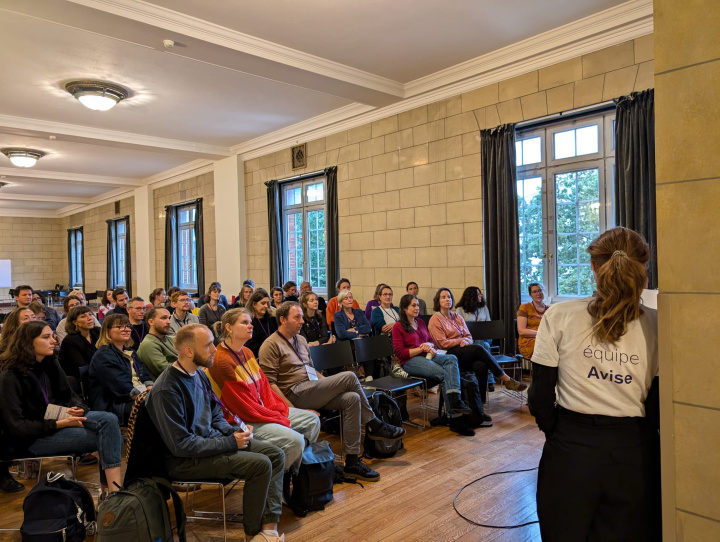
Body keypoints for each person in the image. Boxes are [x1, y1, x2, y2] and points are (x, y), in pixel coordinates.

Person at [528, 227, 660, 541]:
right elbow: (658, 404)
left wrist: (563, 435)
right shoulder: (660, 323)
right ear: (644, 272)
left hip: (571, 451)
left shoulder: (559, 315)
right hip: (635, 455)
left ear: (594, 267)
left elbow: (540, 397)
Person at [146, 324, 286, 542]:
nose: (214, 350)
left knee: (276, 454)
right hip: (184, 461)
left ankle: (268, 530)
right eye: (209, 345)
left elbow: (216, 415)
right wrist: (230, 442)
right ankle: (252, 535)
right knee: (261, 464)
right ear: (189, 351)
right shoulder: (167, 389)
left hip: (211, 443)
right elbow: (181, 445)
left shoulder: (199, 375)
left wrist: (236, 431)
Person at [258, 302, 404, 482]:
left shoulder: (301, 340)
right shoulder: (270, 344)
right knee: (350, 376)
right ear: (282, 320)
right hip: (294, 394)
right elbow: (269, 384)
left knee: (351, 398)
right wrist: (292, 410)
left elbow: (313, 371)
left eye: (302, 317)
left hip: (312, 389)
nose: (302, 321)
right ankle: (374, 424)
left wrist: (328, 383)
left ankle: (351, 462)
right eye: (297, 317)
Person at [0, 321, 123, 495]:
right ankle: (113, 493)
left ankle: (111, 491)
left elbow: (71, 396)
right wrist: (61, 424)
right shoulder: (9, 376)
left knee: (110, 419)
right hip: (31, 439)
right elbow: (17, 427)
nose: (54, 340)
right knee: (111, 438)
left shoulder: (50, 363)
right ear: (28, 342)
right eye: (46, 337)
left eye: (52, 335)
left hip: (57, 421)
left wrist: (78, 408)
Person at [208, 309, 320, 478]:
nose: (250, 326)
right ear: (229, 328)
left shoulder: (247, 352)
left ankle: (295, 474)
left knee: (312, 420)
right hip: (243, 420)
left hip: (261, 410)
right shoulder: (221, 360)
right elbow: (242, 406)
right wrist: (277, 418)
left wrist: (278, 410)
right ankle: (277, 483)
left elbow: (265, 388)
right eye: (244, 322)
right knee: (295, 440)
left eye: (250, 322)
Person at [392, 294, 480, 436]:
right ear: (404, 308)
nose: (417, 308)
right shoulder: (398, 327)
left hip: (427, 356)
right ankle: (455, 419)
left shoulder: (420, 322)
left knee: (451, 358)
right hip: (410, 362)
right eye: (413, 305)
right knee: (446, 374)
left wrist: (430, 347)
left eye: (417, 305)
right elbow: (400, 354)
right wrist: (421, 348)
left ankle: (454, 401)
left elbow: (430, 340)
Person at [428, 288, 527, 395]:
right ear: (438, 301)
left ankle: (481, 401)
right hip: (447, 353)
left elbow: (469, 336)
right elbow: (442, 344)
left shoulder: (457, 317)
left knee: (481, 365)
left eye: (449, 297)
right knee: (480, 348)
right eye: (443, 297)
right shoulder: (435, 319)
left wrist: (466, 341)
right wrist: (461, 340)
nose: (447, 299)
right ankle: (505, 378)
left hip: (463, 349)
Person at [89, 314, 153, 425]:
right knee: (158, 407)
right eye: (119, 326)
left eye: (128, 326)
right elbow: (124, 389)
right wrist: (152, 398)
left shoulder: (130, 352)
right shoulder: (104, 355)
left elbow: (145, 377)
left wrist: (152, 391)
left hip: (137, 396)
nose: (126, 329)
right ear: (107, 331)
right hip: (115, 404)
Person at [455, 286, 495, 389]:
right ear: (471, 296)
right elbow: (459, 328)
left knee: (483, 342)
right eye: (478, 294)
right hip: (468, 339)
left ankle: (475, 374)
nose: (481, 295)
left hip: (484, 337)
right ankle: (488, 379)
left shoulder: (483, 307)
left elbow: (489, 324)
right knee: (485, 347)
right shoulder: (460, 309)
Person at [59, 306, 100, 382]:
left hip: (97, 373)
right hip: (80, 379)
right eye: (83, 316)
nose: (89, 318)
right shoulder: (70, 340)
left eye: (90, 314)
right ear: (75, 322)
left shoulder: (97, 332)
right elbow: (82, 367)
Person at [137, 307, 177, 380]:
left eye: (169, 318)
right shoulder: (148, 344)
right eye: (163, 318)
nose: (168, 322)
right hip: (167, 386)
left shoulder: (171, 339)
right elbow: (166, 370)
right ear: (151, 322)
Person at [517, 282, 549, 360]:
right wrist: (541, 334)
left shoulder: (549, 309)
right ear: (530, 295)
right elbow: (521, 331)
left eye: (540, 290)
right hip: (529, 341)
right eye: (535, 292)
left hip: (546, 339)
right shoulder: (524, 308)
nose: (538, 293)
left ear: (543, 292)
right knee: (548, 346)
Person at [245, 290, 278, 358]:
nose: (266, 306)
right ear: (254, 304)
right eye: (263, 303)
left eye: (267, 303)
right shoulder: (249, 322)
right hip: (258, 356)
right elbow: (251, 345)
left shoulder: (273, 320)